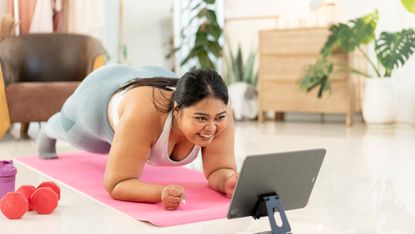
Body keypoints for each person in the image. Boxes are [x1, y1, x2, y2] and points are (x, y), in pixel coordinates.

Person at [38, 64, 239, 211]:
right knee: (66, 128)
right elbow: (116, 183)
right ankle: (47, 130)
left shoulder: (218, 109)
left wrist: (228, 181)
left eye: (219, 118)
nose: (212, 127)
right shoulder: (143, 116)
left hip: (155, 77)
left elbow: (218, 170)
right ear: (177, 111)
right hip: (98, 96)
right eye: (201, 118)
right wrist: (159, 193)